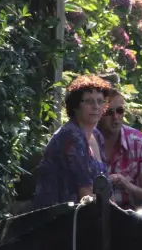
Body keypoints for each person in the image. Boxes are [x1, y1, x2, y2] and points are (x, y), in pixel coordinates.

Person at [33, 74, 111, 210]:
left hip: (87, 214)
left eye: (100, 101)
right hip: (61, 217)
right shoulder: (71, 136)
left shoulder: (97, 136)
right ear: (75, 106)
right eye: (89, 101)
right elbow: (85, 192)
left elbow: (104, 188)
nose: (96, 106)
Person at [97, 89, 142, 210]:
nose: (115, 117)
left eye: (120, 111)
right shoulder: (87, 142)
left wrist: (127, 185)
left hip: (130, 218)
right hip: (94, 215)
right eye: (109, 112)